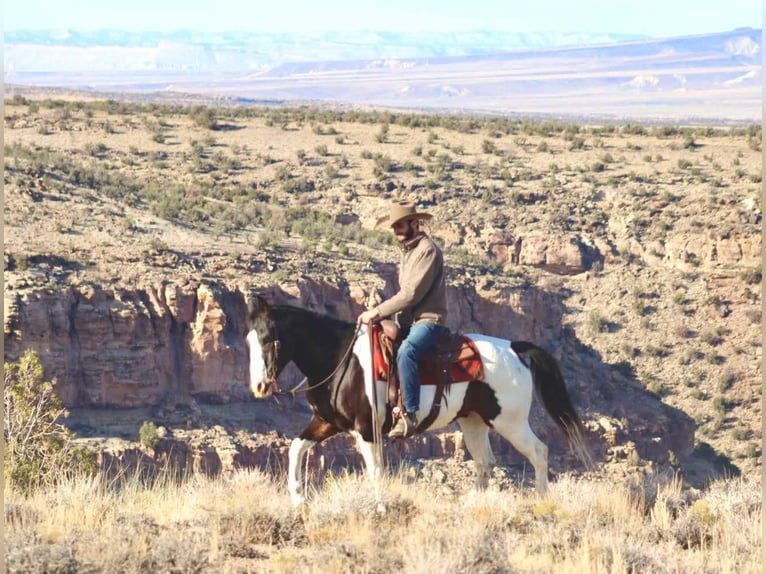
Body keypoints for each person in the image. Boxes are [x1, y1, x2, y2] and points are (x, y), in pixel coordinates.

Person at [357, 201, 448, 438]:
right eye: (394, 226)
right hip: (408, 321)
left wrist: (377, 312)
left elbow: (410, 294)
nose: (397, 230)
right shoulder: (408, 252)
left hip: (429, 321)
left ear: (415, 223)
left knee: (407, 351)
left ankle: (410, 415)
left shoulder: (427, 251)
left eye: (400, 225)